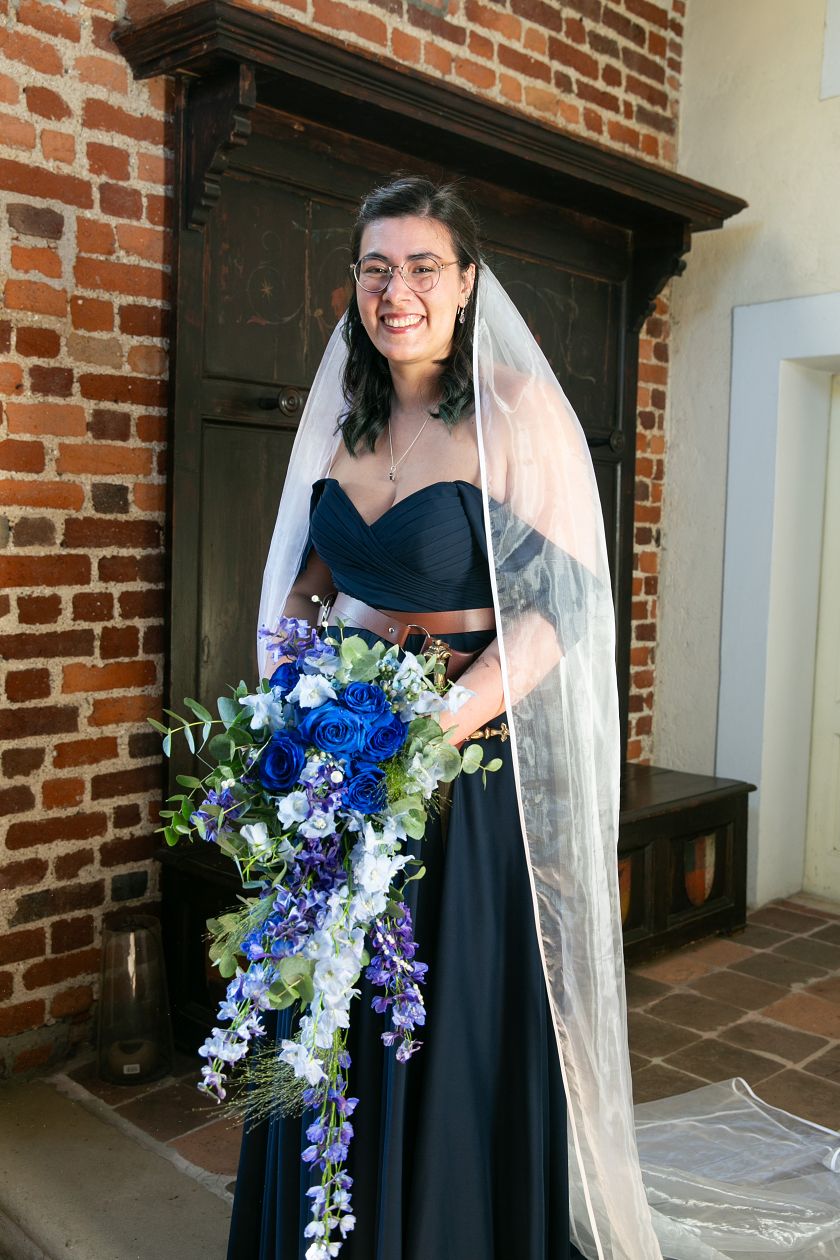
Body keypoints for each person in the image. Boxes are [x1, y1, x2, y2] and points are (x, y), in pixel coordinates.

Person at [228, 175, 840, 1260]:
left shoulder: (514, 409)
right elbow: (314, 574)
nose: (396, 291)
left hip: (459, 767)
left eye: (422, 267)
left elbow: (560, 607)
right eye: (375, 269)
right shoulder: (343, 413)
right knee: (328, 999)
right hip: (336, 753)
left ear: (467, 282)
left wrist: (429, 732)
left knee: (438, 1008)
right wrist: (292, 676)